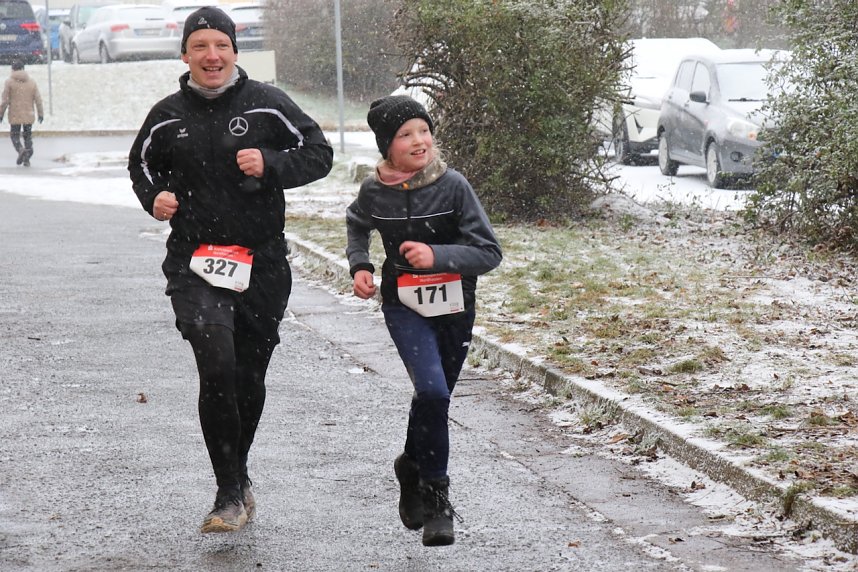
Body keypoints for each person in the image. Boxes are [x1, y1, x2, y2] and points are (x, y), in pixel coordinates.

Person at [128, 6, 333, 534]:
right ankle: (227, 492)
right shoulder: (167, 114)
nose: (211, 55)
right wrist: (156, 197)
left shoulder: (267, 104)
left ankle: (238, 478)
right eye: (200, 46)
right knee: (214, 358)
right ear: (185, 55)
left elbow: (319, 153)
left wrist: (271, 165)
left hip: (261, 261)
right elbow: (141, 164)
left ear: (234, 52)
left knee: (248, 374)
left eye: (220, 45)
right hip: (195, 261)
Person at [345, 95, 502, 546]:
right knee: (431, 390)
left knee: (435, 398)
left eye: (424, 130)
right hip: (404, 304)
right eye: (406, 135)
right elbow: (357, 222)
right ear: (386, 146)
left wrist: (438, 255)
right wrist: (361, 265)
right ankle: (437, 501)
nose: (419, 141)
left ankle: (411, 464)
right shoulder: (375, 190)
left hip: (455, 305)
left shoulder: (453, 186)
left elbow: (489, 252)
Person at [0, 60, 44, 167]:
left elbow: (5, 101)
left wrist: (1, 114)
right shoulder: (32, 82)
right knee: (27, 136)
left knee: (14, 135)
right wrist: (40, 113)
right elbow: (38, 99)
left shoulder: (9, 82)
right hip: (29, 114)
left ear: (13, 69)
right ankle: (27, 155)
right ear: (23, 69)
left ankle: (20, 150)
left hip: (15, 114)